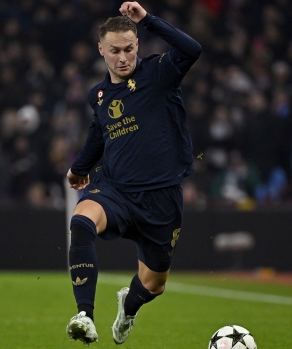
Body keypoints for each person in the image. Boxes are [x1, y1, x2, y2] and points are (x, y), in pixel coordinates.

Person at [65, 2, 201, 345]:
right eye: (114, 51)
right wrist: (79, 169)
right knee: (81, 222)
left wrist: (149, 20)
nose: (122, 57)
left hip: (162, 196)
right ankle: (85, 316)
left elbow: (192, 49)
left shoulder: (159, 73)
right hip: (116, 190)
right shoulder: (98, 95)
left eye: (128, 49)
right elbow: (99, 133)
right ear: (101, 50)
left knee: (154, 284)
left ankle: (129, 306)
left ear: (138, 45)